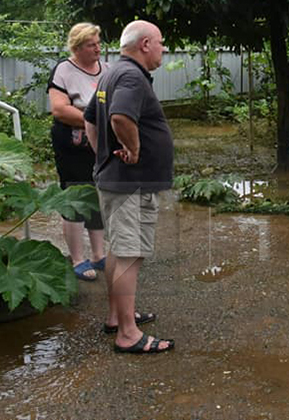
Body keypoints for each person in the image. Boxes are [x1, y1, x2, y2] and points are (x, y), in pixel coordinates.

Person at [84, 20, 174, 354]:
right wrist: (132, 151)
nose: (163, 49)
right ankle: (128, 333)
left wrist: (103, 156)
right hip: (130, 185)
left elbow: (90, 119)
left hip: (117, 181)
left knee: (119, 251)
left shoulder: (110, 73)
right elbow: (119, 117)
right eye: (161, 43)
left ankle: (116, 316)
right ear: (146, 43)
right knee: (129, 255)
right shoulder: (132, 77)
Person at [48, 23, 107, 281]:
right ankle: (77, 259)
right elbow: (60, 109)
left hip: (99, 142)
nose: (97, 48)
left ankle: (98, 254)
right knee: (74, 196)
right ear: (77, 47)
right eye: (91, 44)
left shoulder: (106, 69)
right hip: (72, 144)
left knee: (96, 196)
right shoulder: (64, 70)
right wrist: (92, 120)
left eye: (98, 43)